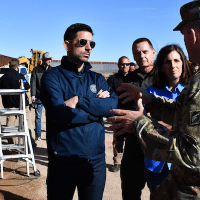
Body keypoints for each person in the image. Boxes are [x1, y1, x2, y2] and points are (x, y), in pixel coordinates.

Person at [107, 1, 200, 199]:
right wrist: (151, 100)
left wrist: (139, 122)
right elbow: (180, 111)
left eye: (184, 34)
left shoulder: (194, 83)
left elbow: (193, 154)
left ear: (192, 34)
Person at [40, 23, 118, 200]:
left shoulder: (97, 78)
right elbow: (61, 114)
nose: (89, 47)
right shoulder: (52, 77)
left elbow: (112, 106)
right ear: (67, 44)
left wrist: (79, 101)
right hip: (63, 161)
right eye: (83, 42)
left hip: (96, 162)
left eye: (92, 43)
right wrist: (97, 108)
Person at [143, 44, 192, 199]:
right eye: (167, 62)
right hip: (156, 162)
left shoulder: (192, 92)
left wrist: (158, 123)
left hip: (185, 162)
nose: (173, 66)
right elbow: (143, 124)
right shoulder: (150, 93)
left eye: (177, 61)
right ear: (161, 66)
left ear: (183, 63)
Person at [119, 38, 156, 200]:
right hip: (134, 141)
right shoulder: (129, 79)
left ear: (153, 52)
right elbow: (122, 109)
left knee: (159, 189)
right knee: (130, 187)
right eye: (137, 53)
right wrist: (119, 137)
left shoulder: (165, 75)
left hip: (159, 142)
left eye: (145, 52)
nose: (141, 56)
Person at [0, 58, 36, 147]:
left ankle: (12, 144)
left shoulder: (3, 78)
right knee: (27, 123)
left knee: (10, 125)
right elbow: (28, 88)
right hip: (22, 105)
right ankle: (31, 142)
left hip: (9, 105)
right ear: (17, 67)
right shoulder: (21, 76)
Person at [107, 56, 133, 172]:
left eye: (127, 64)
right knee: (118, 139)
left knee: (132, 140)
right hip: (118, 114)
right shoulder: (113, 79)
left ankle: (128, 163)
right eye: (122, 64)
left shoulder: (134, 78)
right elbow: (108, 94)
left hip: (132, 114)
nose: (125, 66)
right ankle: (116, 162)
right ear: (118, 65)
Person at [30, 52, 52, 142]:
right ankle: (38, 135)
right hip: (39, 97)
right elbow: (33, 82)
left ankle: (49, 135)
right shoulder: (36, 69)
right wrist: (33, 95)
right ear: (43, 60)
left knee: (50, 117)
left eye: (50, 59)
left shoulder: (52, 70)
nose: (50, 60)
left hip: (50, 98)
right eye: (48, 59)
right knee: (38, 117)